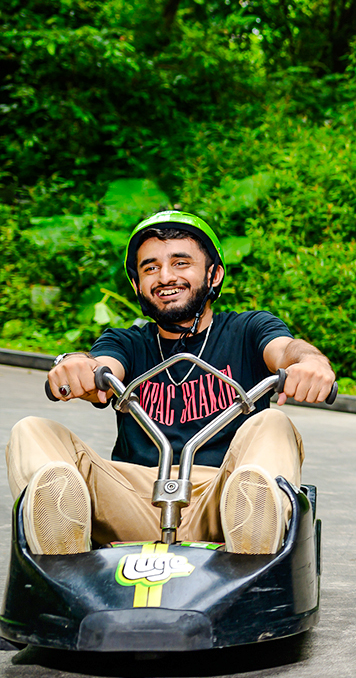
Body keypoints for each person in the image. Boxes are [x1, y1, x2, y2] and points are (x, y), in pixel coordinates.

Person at [9, 210, 337, 555]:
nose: (165, 276)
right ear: (137, 284)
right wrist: (76, 367)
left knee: (273, 423)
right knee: (31, 430)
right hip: (133, 498)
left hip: (225, 497)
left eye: (181, 263)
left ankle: (252, 561)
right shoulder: (127, 342)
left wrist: (310, 363)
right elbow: (100, 369)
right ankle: (64, 568)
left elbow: (285, 350)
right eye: (150, 268)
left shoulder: (247, 329)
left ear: (214, 275)